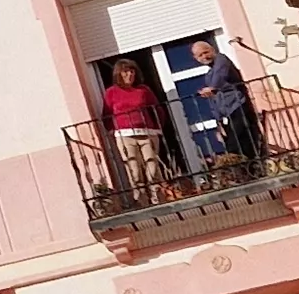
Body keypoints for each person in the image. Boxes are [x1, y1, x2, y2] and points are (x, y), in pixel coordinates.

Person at [183, 36, 264, 170]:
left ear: (212, 50)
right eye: (200, 55)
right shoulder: (209, 75)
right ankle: (246, 171)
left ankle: (248, 171)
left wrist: (212, 88)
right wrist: (218, 123)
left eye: (206, 52)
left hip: (239, 107)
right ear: (196, 59)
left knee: (238, 144)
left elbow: (220, 76)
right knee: (234, 144)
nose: (205, 56)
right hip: (227, 114)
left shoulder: (221, 59)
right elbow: (215, 101)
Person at [100, 57, 173, 198]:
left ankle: (158, 198)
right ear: (118, 74)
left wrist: (157, 127)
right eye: (126, 72)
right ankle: (142, 201)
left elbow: (157, 109)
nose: (130, 75)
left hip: (147, 133)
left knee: (152, 168)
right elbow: (107, 114)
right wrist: (112, 131)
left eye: (132, 71)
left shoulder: (143, 90)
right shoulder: (111, 92)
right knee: (134, 171)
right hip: (125, 135)